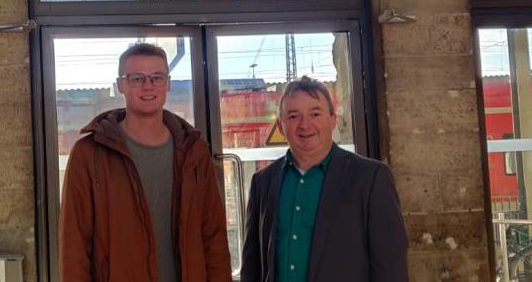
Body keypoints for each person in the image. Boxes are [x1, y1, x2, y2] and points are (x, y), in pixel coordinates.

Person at [60, 43, 232, 282]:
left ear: (168, 83)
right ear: (120, 85)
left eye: (156, 77)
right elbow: (75, 244)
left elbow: (213, 235)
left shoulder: (194, 151)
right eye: (137, 78)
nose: (148, 86)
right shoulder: (90, 154)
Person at [240, 76, 408, 282]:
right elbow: (252, 267)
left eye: (315, 113)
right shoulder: (262, 183)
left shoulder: (371, 179)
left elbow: (390, 268)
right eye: (293, 116)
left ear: (333, 119)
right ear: (281, 126)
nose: (305, 125)